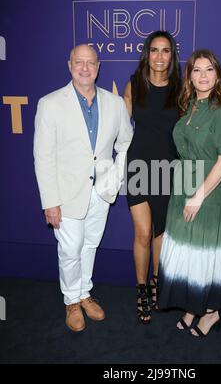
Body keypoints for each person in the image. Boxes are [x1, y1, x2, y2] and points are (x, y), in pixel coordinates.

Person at [33, 44, 133, 332]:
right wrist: (49, 201)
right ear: (69, 65)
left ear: (98, 67)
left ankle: (85, 293)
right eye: (79, 62)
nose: (85, 68)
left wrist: (115, 175)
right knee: (70, 249)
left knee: (90, 245)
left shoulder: (114, 104)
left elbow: (126, 142)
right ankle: (71, 301)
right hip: (65, 195)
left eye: (91, 63)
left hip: (100, 191)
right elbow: (44, 156)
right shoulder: (50, 104)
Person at [157, 49, 221, 337]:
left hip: (207, 191)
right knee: (187, 250)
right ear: (190, 76)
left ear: (217, 75)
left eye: (209, 69)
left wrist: (199, 195)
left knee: (203, 250)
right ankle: (193, 306)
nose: (203, 75)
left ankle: (210, 313)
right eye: (197, 70)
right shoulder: (190, 105)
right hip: (182, 187)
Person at [123, 31, 181, 323]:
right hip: (137, 166)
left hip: (168, 168)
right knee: (143, 233)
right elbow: (120, 126)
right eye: (154, 50)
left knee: (160, 233)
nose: (160, 56)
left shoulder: (182, 88)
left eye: (166, 50)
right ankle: (141, 288)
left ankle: (158, 282)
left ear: (172, 55)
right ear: (147, 53)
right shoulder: (134, 84)